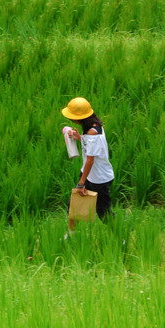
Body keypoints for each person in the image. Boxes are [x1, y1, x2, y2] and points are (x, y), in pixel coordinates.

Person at [62, 97, 114, 229]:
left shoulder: (92, 132)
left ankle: (120, 238)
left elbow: (90, 160)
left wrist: (81, 183)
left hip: (99, 179)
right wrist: (79, 138)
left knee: (103, 213)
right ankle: (71, 236)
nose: (72, 120)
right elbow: (92, 146)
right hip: (90, 175)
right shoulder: (92, 127)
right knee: (74, 205)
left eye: (73, 117)